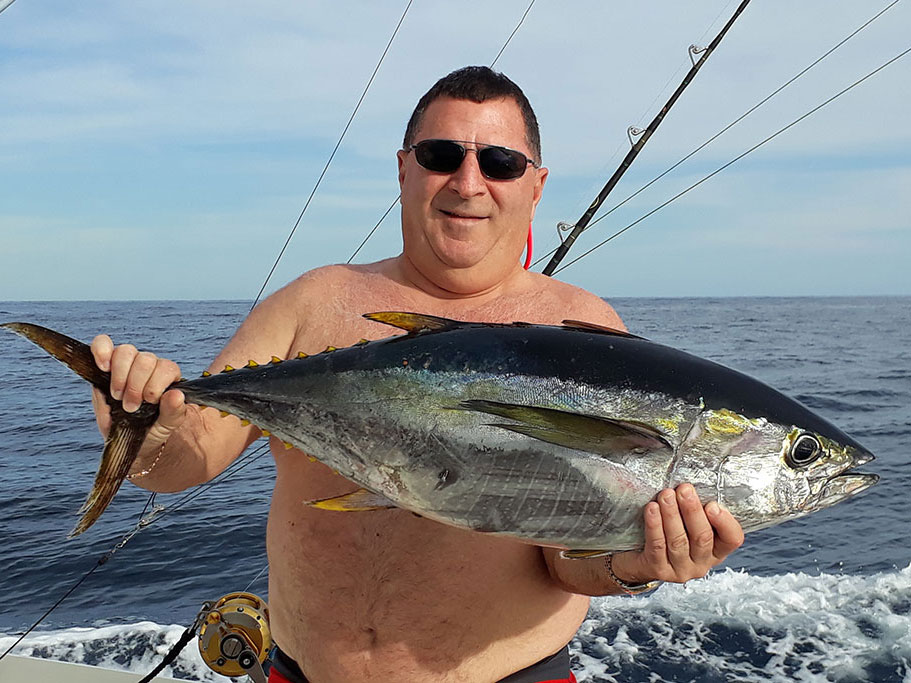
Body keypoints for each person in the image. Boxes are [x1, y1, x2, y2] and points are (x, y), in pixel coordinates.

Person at [90, 66, 744, 683]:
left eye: (499, 162)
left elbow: (567, 558)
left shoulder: (581, 326)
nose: (467, 181)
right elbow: (187, 460)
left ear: (535, 185)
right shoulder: (313, 302)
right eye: (440, 156)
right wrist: (144, 433)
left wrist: (633, 564)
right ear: (404, 169)